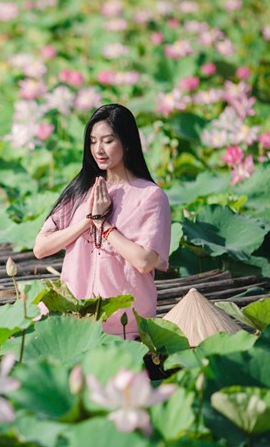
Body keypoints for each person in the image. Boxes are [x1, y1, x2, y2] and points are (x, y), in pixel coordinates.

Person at [33, 104, 171, 339]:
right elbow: (41, 248)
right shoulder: (81, 189)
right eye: (93, 141)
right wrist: (88, 221)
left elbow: (145, 261)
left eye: (107, 141)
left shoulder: (150, 196)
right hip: (72, 315)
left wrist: (103, 226)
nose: (99, 149)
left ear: (127, 143)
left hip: (124, 323)